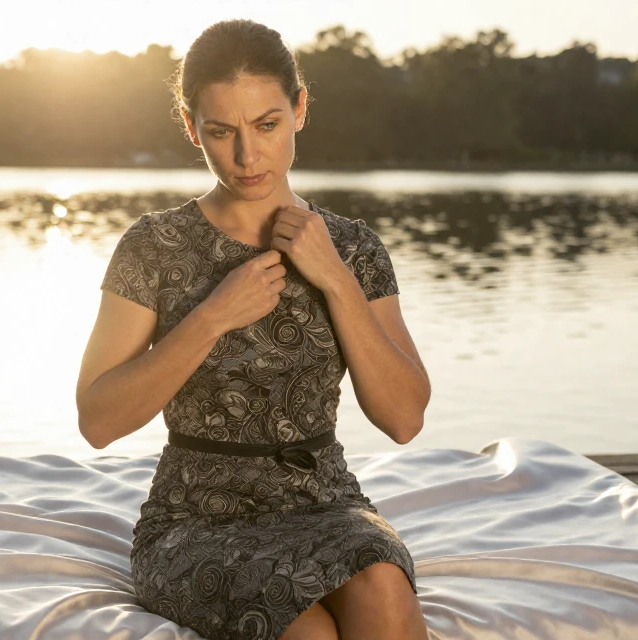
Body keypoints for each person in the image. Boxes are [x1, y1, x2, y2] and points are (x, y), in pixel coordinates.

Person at [75, 19, 431, 640]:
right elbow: (98, 420)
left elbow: (404, 418)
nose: (246, 156)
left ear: (299, 109)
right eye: (220, 131)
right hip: (195, 518)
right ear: (191, 127)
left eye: (266, 125)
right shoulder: (154, 246)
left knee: (383, 585)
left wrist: (337, 281)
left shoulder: (353, 248)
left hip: (326, 502)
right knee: (310, 632)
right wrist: (212, 315)